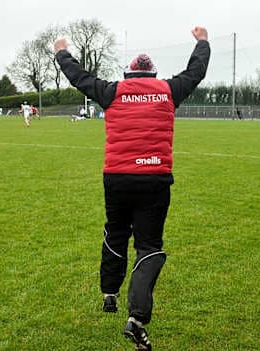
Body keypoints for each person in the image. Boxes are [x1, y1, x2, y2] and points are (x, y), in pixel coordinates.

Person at [55, 26, 210, 350]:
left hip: (117, 177)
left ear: (128, 73)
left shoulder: (112, 91)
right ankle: (136, 318)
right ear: (154, 75)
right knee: (149, 245)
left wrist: (61, 52)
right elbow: (196, 73)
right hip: (154, 178)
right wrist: (202, 42)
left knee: (115, 231)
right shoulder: (168, 90)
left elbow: (78, 77)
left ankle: (109, 293)